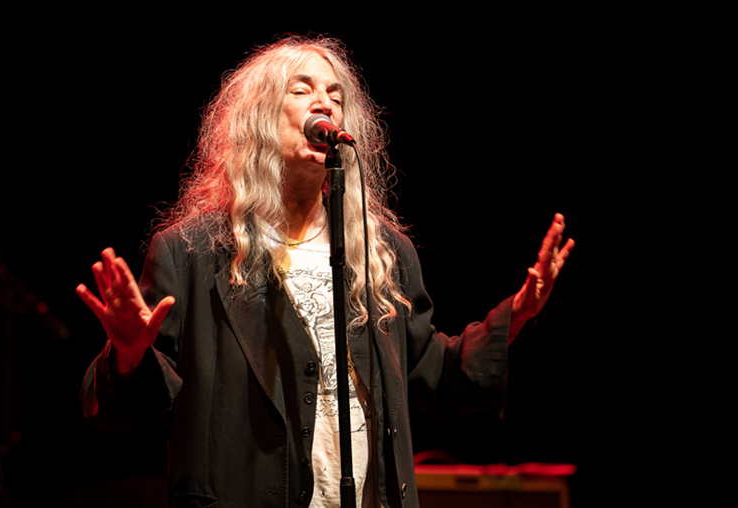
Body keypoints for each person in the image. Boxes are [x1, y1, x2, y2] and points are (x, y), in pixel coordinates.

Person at [76, 34, 574, 508]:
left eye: (336, 94)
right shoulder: (193, 253)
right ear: (260, 119)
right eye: (303, 89)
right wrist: (128, 353)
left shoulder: (383, 255)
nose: (327, 102)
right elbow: (136, 409)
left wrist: (519, 313)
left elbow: (432, 374)